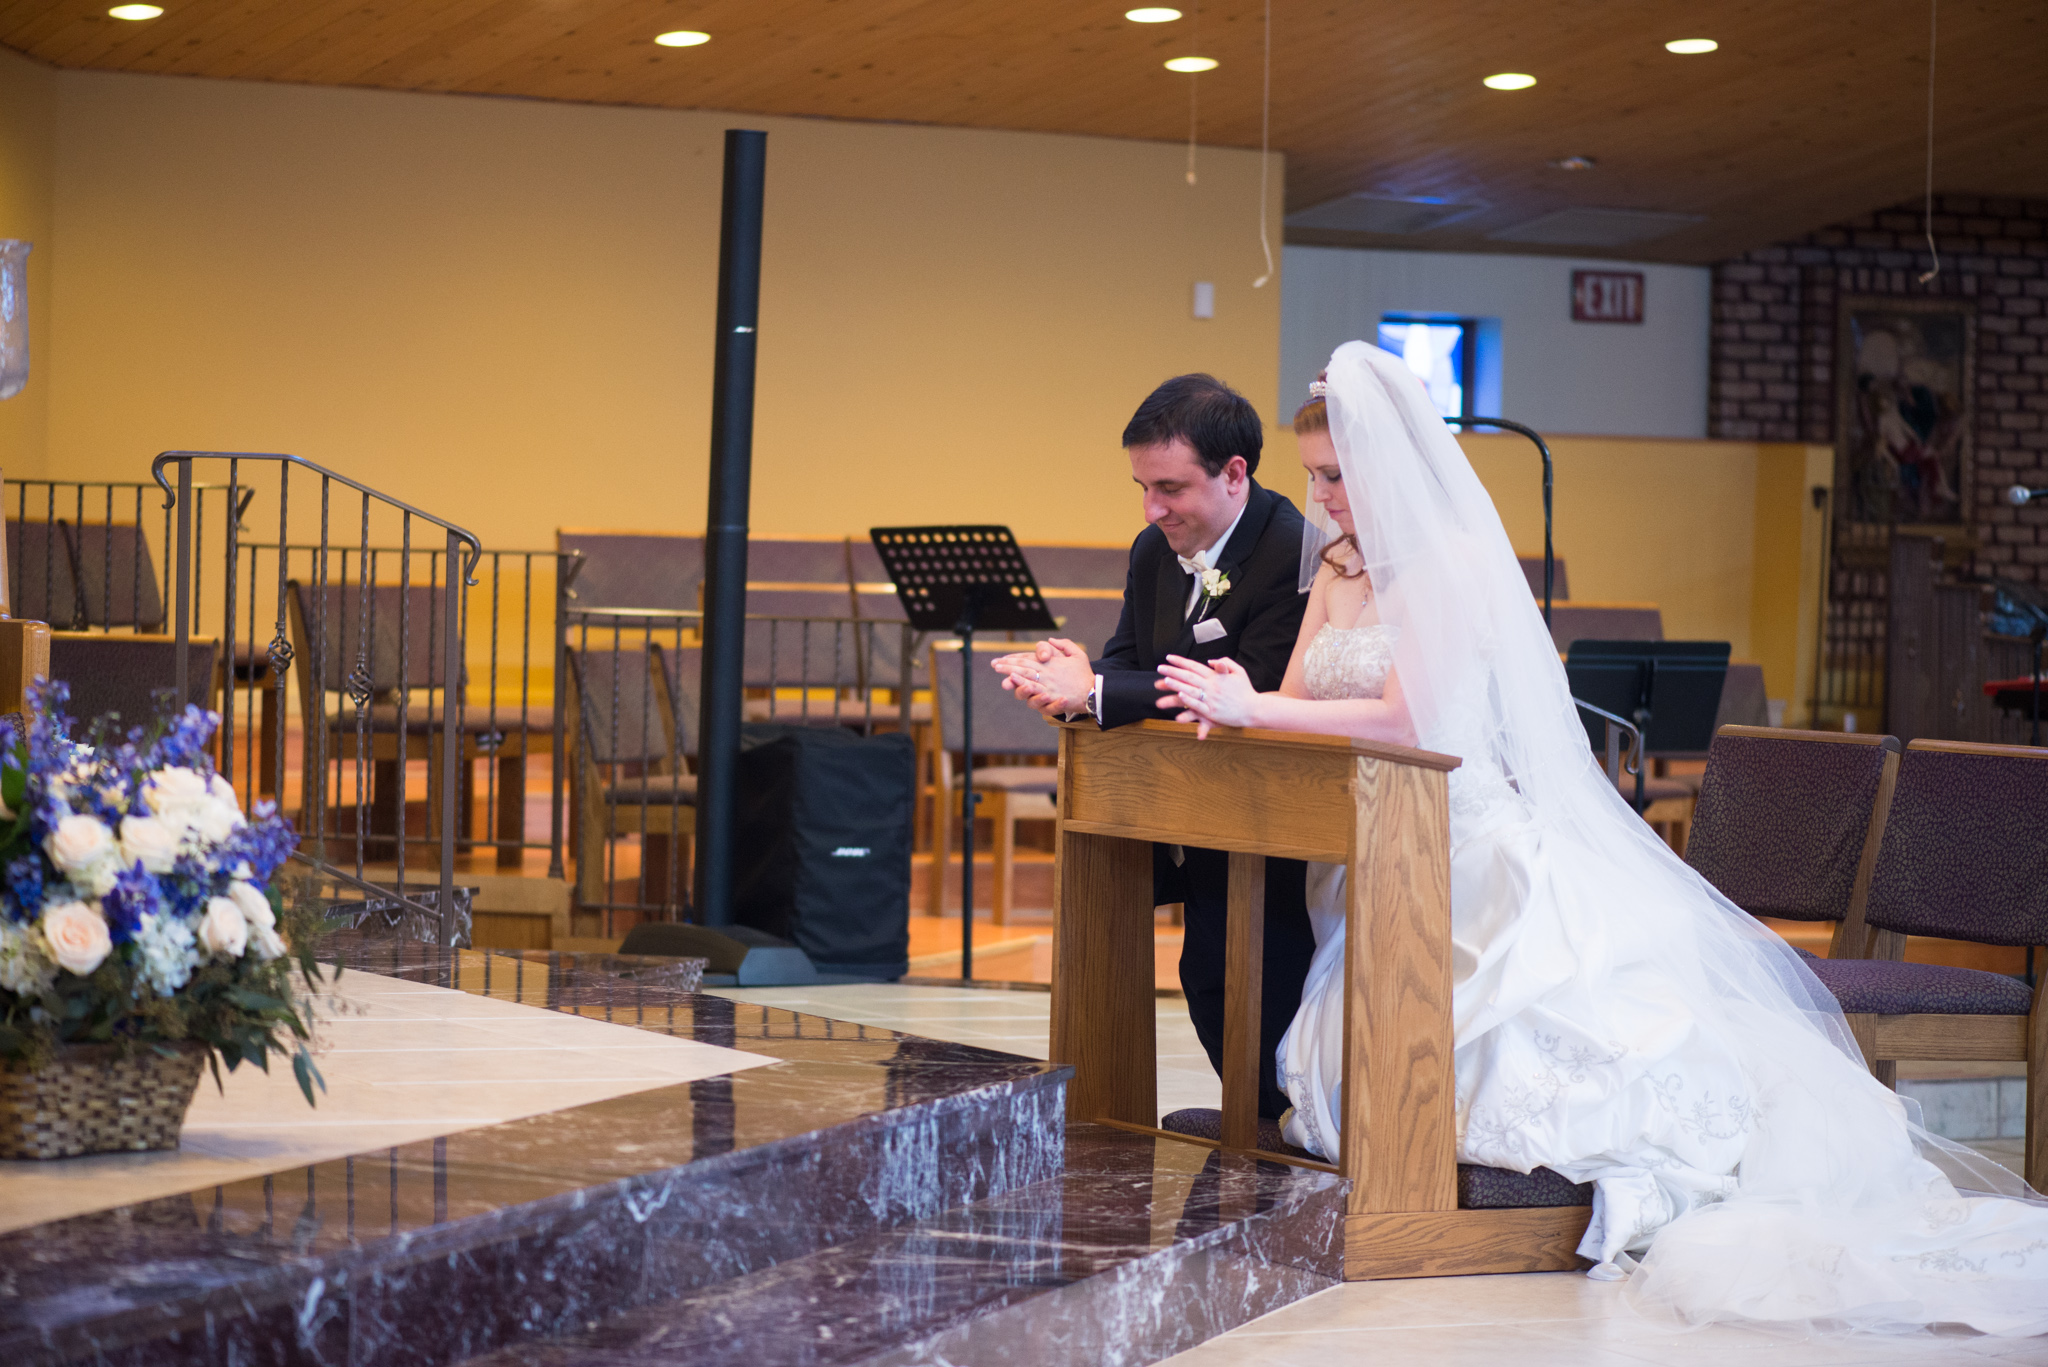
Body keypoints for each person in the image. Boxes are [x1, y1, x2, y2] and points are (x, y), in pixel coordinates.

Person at [1158, 340, 2048, 1335]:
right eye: (1314, 474)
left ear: (1384, 469)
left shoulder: (1445, 567)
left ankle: (1492, 1191)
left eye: (1333, 475)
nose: (1318, 495)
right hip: (1362, 842)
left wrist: (1259, 715)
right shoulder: (1339, 566)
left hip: (1459, 839)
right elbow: (1293, 692)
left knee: (1533, 1034)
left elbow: (1409, 721)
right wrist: (1230, 705)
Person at [995, 373, 1315, 1120]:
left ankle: (1278, 1124)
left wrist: (1097, 693)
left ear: (1235, 473)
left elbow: (1255, 687)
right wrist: (1068, 676)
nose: (1151, 509)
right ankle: (1256, 1124)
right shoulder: (1153, 547)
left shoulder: (1294, 551)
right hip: (1180, 810)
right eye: (1141, 486)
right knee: (1205, 976)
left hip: (1269, 817)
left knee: (1254, 980)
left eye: (1169, 487)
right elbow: (1128, 659)